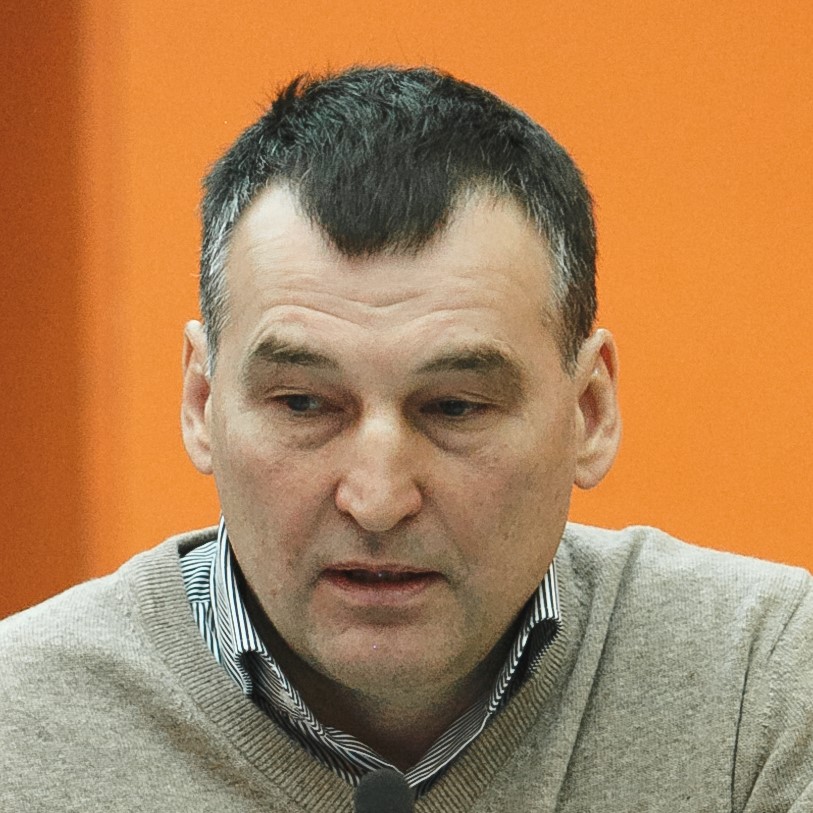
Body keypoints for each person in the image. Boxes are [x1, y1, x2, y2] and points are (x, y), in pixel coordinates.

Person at [2, 66, 811, 812]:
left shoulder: (762, 684)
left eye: (454, 407)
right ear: (201, 400)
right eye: (303, 403)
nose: (378, 499)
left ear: (588, 412)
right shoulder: (21, 727)